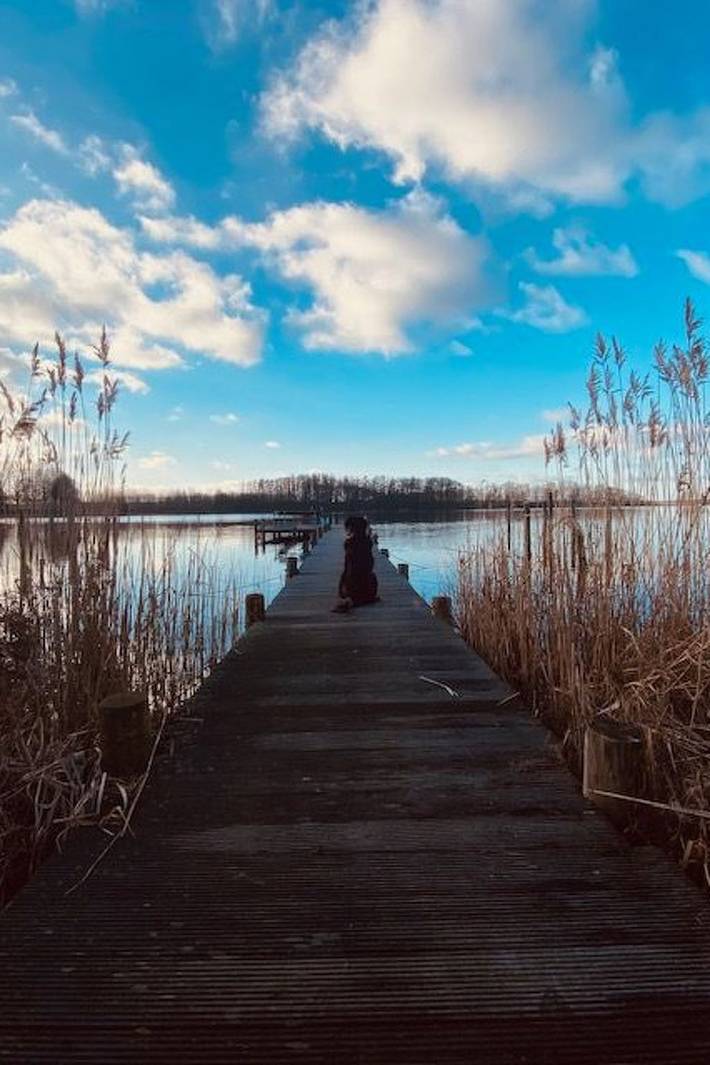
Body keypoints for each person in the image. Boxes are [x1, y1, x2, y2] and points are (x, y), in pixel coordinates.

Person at [332, 514, 379, 612]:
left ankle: (351, 600)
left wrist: (341, 587)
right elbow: (370, 566)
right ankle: (361, 599)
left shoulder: (349, 544)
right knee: (372, 576)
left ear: (351, 529)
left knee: (351, 577)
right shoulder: (367, 543)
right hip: (367, 587)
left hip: (351, 587)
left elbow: (347, 567)